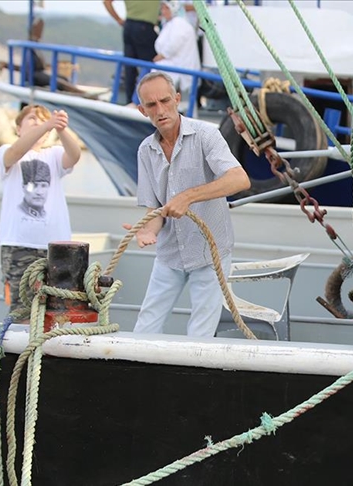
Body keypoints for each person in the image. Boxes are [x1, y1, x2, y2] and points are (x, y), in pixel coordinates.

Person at [124, 71, 250, 337]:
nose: (160, 110)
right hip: (169, 253)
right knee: (144, 329)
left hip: (210, 251)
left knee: (200, 335)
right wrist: (148, 231)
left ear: (177, 99)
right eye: (151, 105)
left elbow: (239, 179)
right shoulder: (145, 150)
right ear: (142, 110)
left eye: (165, 101)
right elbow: (155, 209)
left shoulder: (207, 135)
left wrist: (188, 196)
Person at [0, 104, 82, 312]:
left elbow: (74, 155)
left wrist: (61, 128)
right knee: (22, 309)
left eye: (43, 119)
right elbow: (15, 152)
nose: (39, 123)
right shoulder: (5, 152)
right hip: (18, 245)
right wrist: (47, 125)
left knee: (59, 309)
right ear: (18, 128)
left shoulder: (54, 154)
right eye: (33, 119)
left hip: (56, 248)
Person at [0, 18, 92, 97]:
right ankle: (84, 94)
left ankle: (78, 93)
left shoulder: (35, 46)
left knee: (63, 78)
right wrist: (7, 65)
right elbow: (26, 68)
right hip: (35, 76)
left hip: (39, 72)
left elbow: (40, 65)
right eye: (38, 29)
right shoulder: (30, 47)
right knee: (58, 81)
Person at [103, 0, 161, 105]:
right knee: (151, 65)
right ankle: (145, 101)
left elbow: (106, 2)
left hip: (128, 26)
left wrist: (119, 20)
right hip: (145, 27)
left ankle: (130, 101)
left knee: (129, 67)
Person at [153, 0, 199, 109]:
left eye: (166, 8)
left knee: (154, 74)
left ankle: (139, 102)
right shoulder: (171, 23)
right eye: (162, 8)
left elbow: (173, 44)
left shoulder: (179, 24)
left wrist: (161, 55)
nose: (163, 11)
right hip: (173, 64)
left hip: (180, 67)